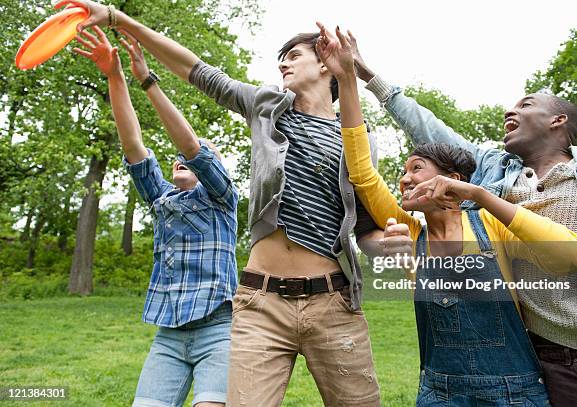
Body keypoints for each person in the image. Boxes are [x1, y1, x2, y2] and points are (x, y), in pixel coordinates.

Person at [56, 1, 383, 405]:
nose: (282, 65)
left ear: (324, 66)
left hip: (332, 301)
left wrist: (395, 242)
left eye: (294, 56)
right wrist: (119, 19)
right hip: (261, 303)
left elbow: (366, 227)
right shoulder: (266, 109)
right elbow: (196, 70)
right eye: (280, 59)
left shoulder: (352, 136)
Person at [315, 23, 577, 406]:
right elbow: (360, 169)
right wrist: (347, 79)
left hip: (515, 392)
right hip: (439, 393)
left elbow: (571, 256)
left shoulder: (491, 222)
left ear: (453, 180)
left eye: (417, 168)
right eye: (404, 170)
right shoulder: (411, 235)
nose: (404, 179)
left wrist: (479, 195)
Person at [73, 26, 238, 407]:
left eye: (195, 158)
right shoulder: (161, 197)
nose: (181, 158)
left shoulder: (221, 198)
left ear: (211, 166)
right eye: (176, 159)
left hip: (220, 330)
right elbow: (132, 143)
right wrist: (115, 76)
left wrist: (147, 80)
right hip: (168, 335)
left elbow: (190, 145)